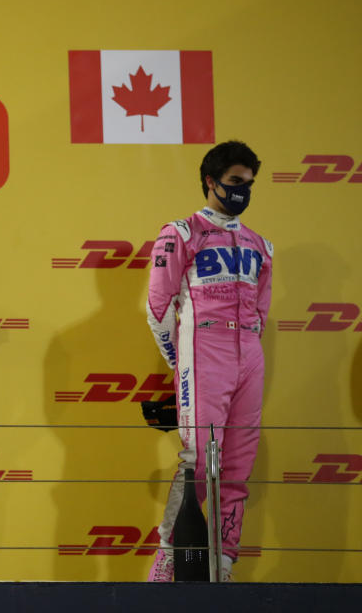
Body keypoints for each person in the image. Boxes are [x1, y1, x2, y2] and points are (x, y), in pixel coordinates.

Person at [145, 141, 272, 582]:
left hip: (249, 353)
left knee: (237, 467)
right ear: (210, 181)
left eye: (249, 184)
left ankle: (224, 564)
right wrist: (179, 362)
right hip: (203, 350)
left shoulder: (261, 245)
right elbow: (158, 309)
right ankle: (168, 555)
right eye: (235, 182)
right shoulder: (181, 233)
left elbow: (261, 312)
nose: (242, 191)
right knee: (199, 459)